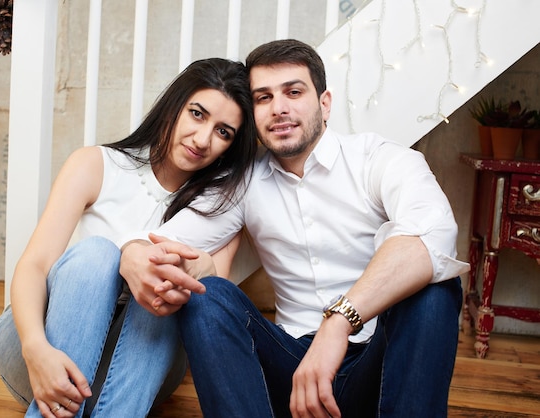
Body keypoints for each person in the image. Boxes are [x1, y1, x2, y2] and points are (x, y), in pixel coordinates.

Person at [120, 39, 470, 418]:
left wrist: (337, 324)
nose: (279, 108)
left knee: (435, 288)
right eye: (264, 97)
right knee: (208, 297)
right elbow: (158, 240)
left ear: (324, 103)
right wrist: (133, 254)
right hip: (290, 369)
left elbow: (431, 235)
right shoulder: (243, 185)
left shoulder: (379, 159)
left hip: (380, 365)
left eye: (293, 91)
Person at [0, 57, 257, 418]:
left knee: (167, 280)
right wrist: (37, 349)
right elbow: (34, 266)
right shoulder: (97, 165)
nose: (203, 139)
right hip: (43, 352)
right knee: (97, 255)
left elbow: (209, 300)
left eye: (224, 132)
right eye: (197, 114)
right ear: (174, 106)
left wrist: (198, 268)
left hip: (134, 374)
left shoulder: (220, 208)